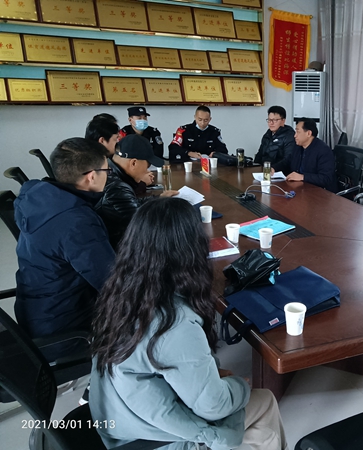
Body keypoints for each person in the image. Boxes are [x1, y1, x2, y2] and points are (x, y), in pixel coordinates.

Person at [90, 198, 288, 450]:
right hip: (148, 440)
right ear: (192, 252)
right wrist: (240, 386)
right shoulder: (174, 323)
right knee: (265, 400)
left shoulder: (123, 291)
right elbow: (214, 406)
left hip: (119, 419)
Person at [14, 138, 115, 360]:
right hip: (65, 331)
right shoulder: (75, 222)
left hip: (37, 314)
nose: (109, 176)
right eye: (107, 171)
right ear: (91, 176)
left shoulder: (42, 198)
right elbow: (113, 283)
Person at [95, 134, 178, 248]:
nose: (148, 171)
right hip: (118, 249)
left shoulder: (109, 174)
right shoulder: (117, 188)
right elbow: (144, 225)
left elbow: (132, 203)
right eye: (147, 166)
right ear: (133, 163)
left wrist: (160, 199)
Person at [272, 117, 337, 192]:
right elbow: (287, 162)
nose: (295, 135)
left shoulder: (323, 151)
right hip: (300, 189)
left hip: (319, 193)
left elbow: (326, 178)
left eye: (298, 132)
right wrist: (274, 168)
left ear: (308, 133)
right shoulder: (298, 147)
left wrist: (302, 177)